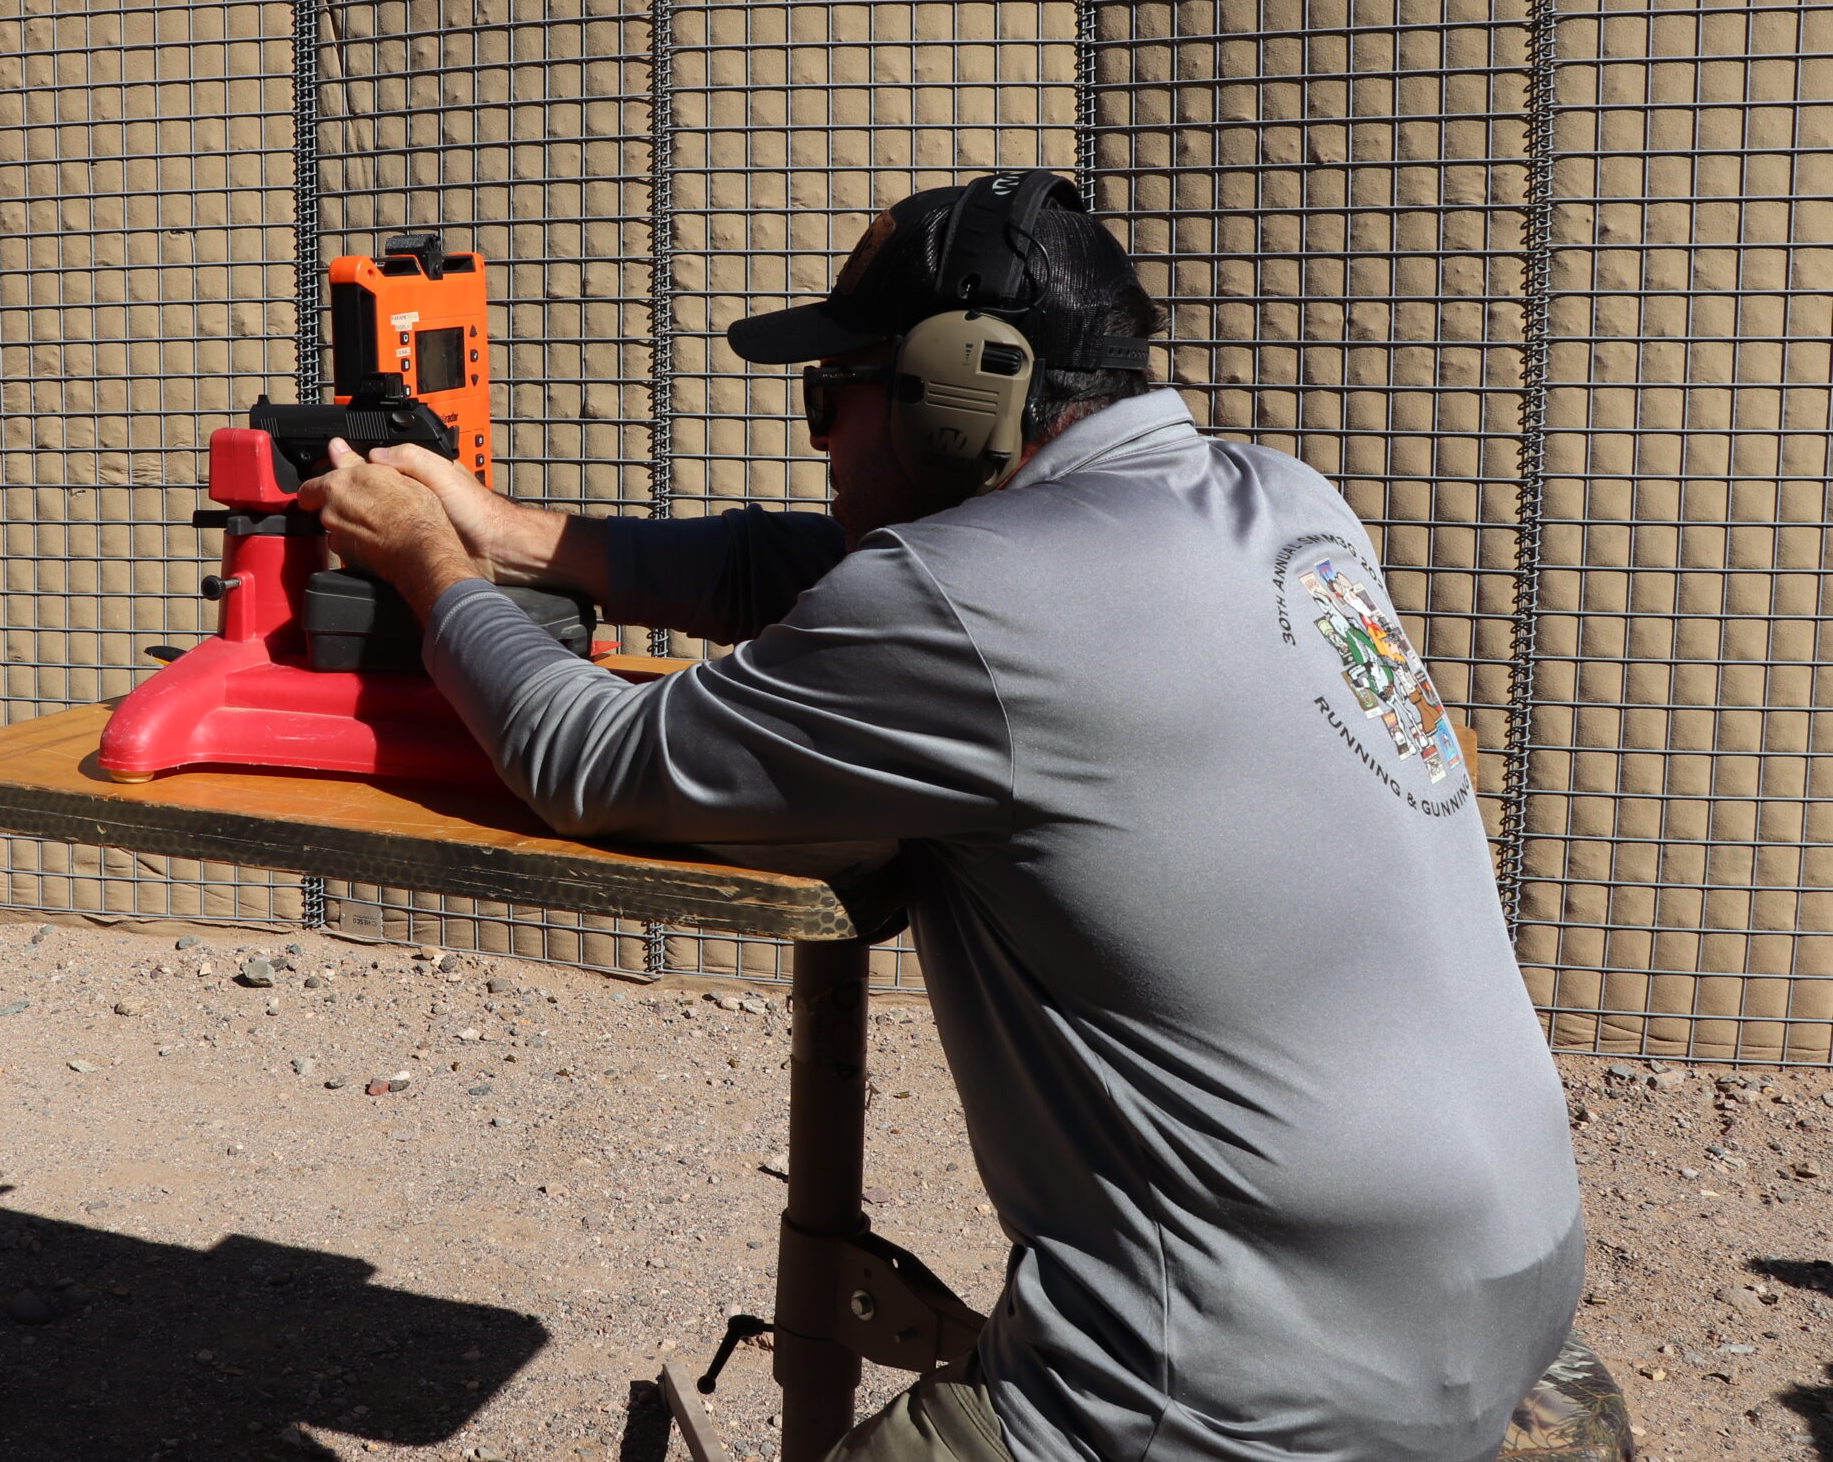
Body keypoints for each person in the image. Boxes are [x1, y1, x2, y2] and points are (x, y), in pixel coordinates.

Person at [296, 174, 1627, 1462]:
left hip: (1257, 1387)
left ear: (955, 387)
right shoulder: (1281, 502)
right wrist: (522, 535)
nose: (818, 436)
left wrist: (433, 568)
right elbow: (837, 574)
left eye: (833, 395)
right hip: (1516, 1308)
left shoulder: (971, 602)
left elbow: (582, 752)